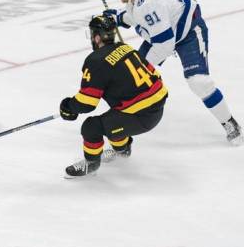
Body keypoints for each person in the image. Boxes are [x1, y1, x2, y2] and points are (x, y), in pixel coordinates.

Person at [105, 0, 244, 145]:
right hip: (165, 34)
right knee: (132, 79)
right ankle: (122, 137)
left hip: (189, 33)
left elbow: (164, 46)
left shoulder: (148, 3)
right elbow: (137, 17)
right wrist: (117, 18)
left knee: (199, 82)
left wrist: (143, 69)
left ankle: (229, 123)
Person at [59, 15, 168, 177]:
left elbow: (86, 103)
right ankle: (122, 150)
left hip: (141, 117)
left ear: (96, 37)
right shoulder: (126, 47)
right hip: (157, 108)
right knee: (115, 114)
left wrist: (68, 106)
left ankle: (91, 164)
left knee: (91, 127)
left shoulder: (96, 60)